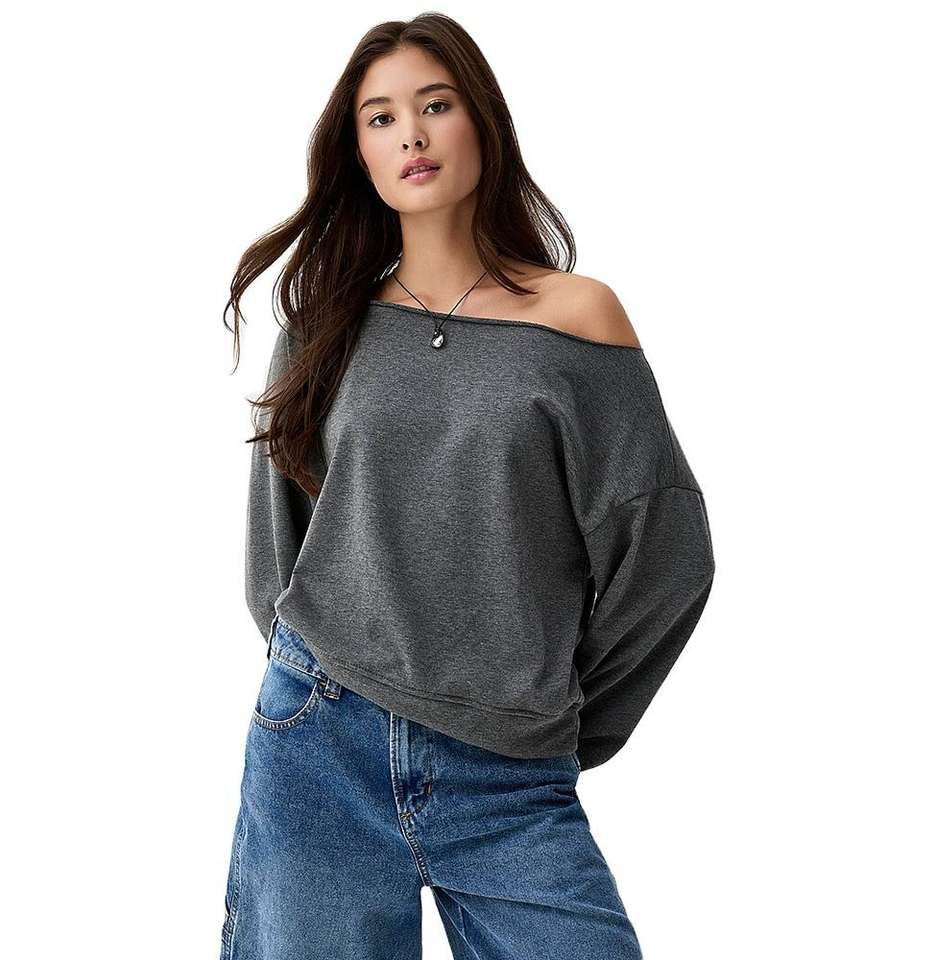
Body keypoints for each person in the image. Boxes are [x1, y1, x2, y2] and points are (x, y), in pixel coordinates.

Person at [218, 13, 715, 960]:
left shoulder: (575, 320)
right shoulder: (325, 324)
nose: (410, 134)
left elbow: (667, 554)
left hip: (510, 776)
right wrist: (319, 673)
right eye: (380, 118)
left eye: (435, 105)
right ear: (358, 153)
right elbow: (277, 552)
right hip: (319, 746)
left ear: (481, 119)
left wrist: (562, 722)